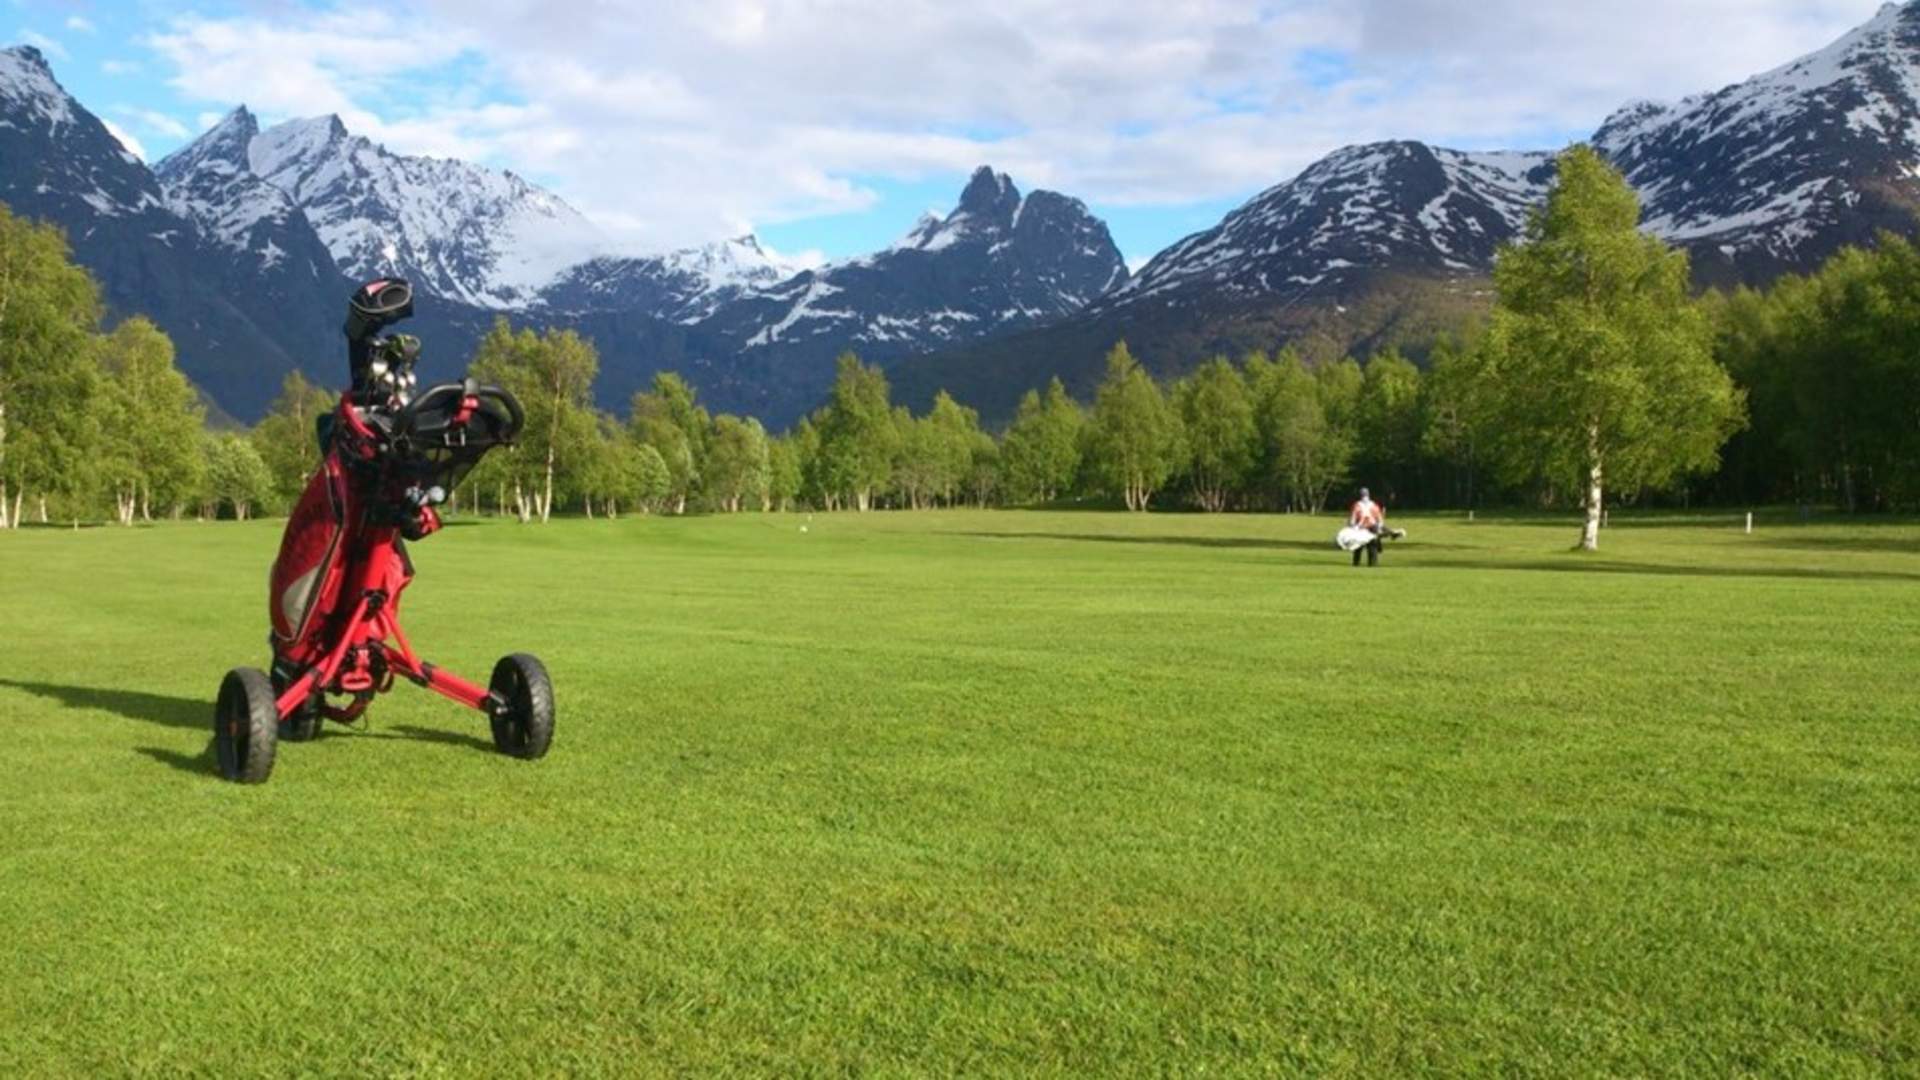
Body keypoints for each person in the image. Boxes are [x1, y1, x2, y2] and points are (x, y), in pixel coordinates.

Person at [1349, 487, 1385, 567]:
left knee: (1358, 547)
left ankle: (1356, 564)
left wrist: (1352, 527)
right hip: (1371, 527)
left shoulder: (1357, 505)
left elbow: (1352, 519)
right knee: (1372, 547)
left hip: (1361, 527)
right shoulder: (1374, 505)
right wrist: (1379, 527)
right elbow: (1379, 519)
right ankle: (1372, 564)